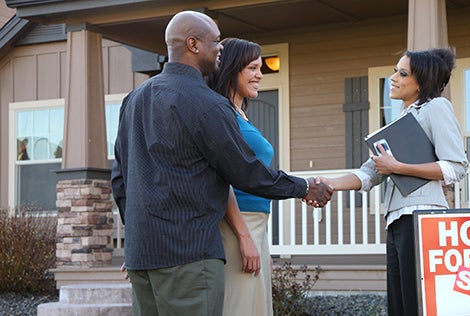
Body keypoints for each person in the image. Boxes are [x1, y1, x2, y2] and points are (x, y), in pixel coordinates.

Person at [110, 11, 332, 316]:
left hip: (141, 258)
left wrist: (137, 235)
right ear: (193, 44)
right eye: (215, 41)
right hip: (189, 258)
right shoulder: (207, 104)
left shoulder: (134, 99)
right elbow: (246, 173)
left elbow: (120, 180)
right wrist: (305, 187)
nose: (220, 49)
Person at [314, 47, 468, 316]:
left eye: (402, 72)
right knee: (399, 305)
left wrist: (398, 166)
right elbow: (369, 173)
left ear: (421, 82)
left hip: (422, 218)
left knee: (417, 303)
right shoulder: (401, 120)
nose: (393, 77)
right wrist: (328, 183)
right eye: (395, 70)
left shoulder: (435, 107)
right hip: (397, 221)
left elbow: (456, 166)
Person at [207, 37, 275, 316]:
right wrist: (244, 237)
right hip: (237, 225)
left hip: (257, 223)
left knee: (257, 307)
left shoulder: (240, 115)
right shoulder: (223, 116)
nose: (260, 75)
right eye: (252, 68)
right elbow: (220, 179)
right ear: (232, 69)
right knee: (240, 307)